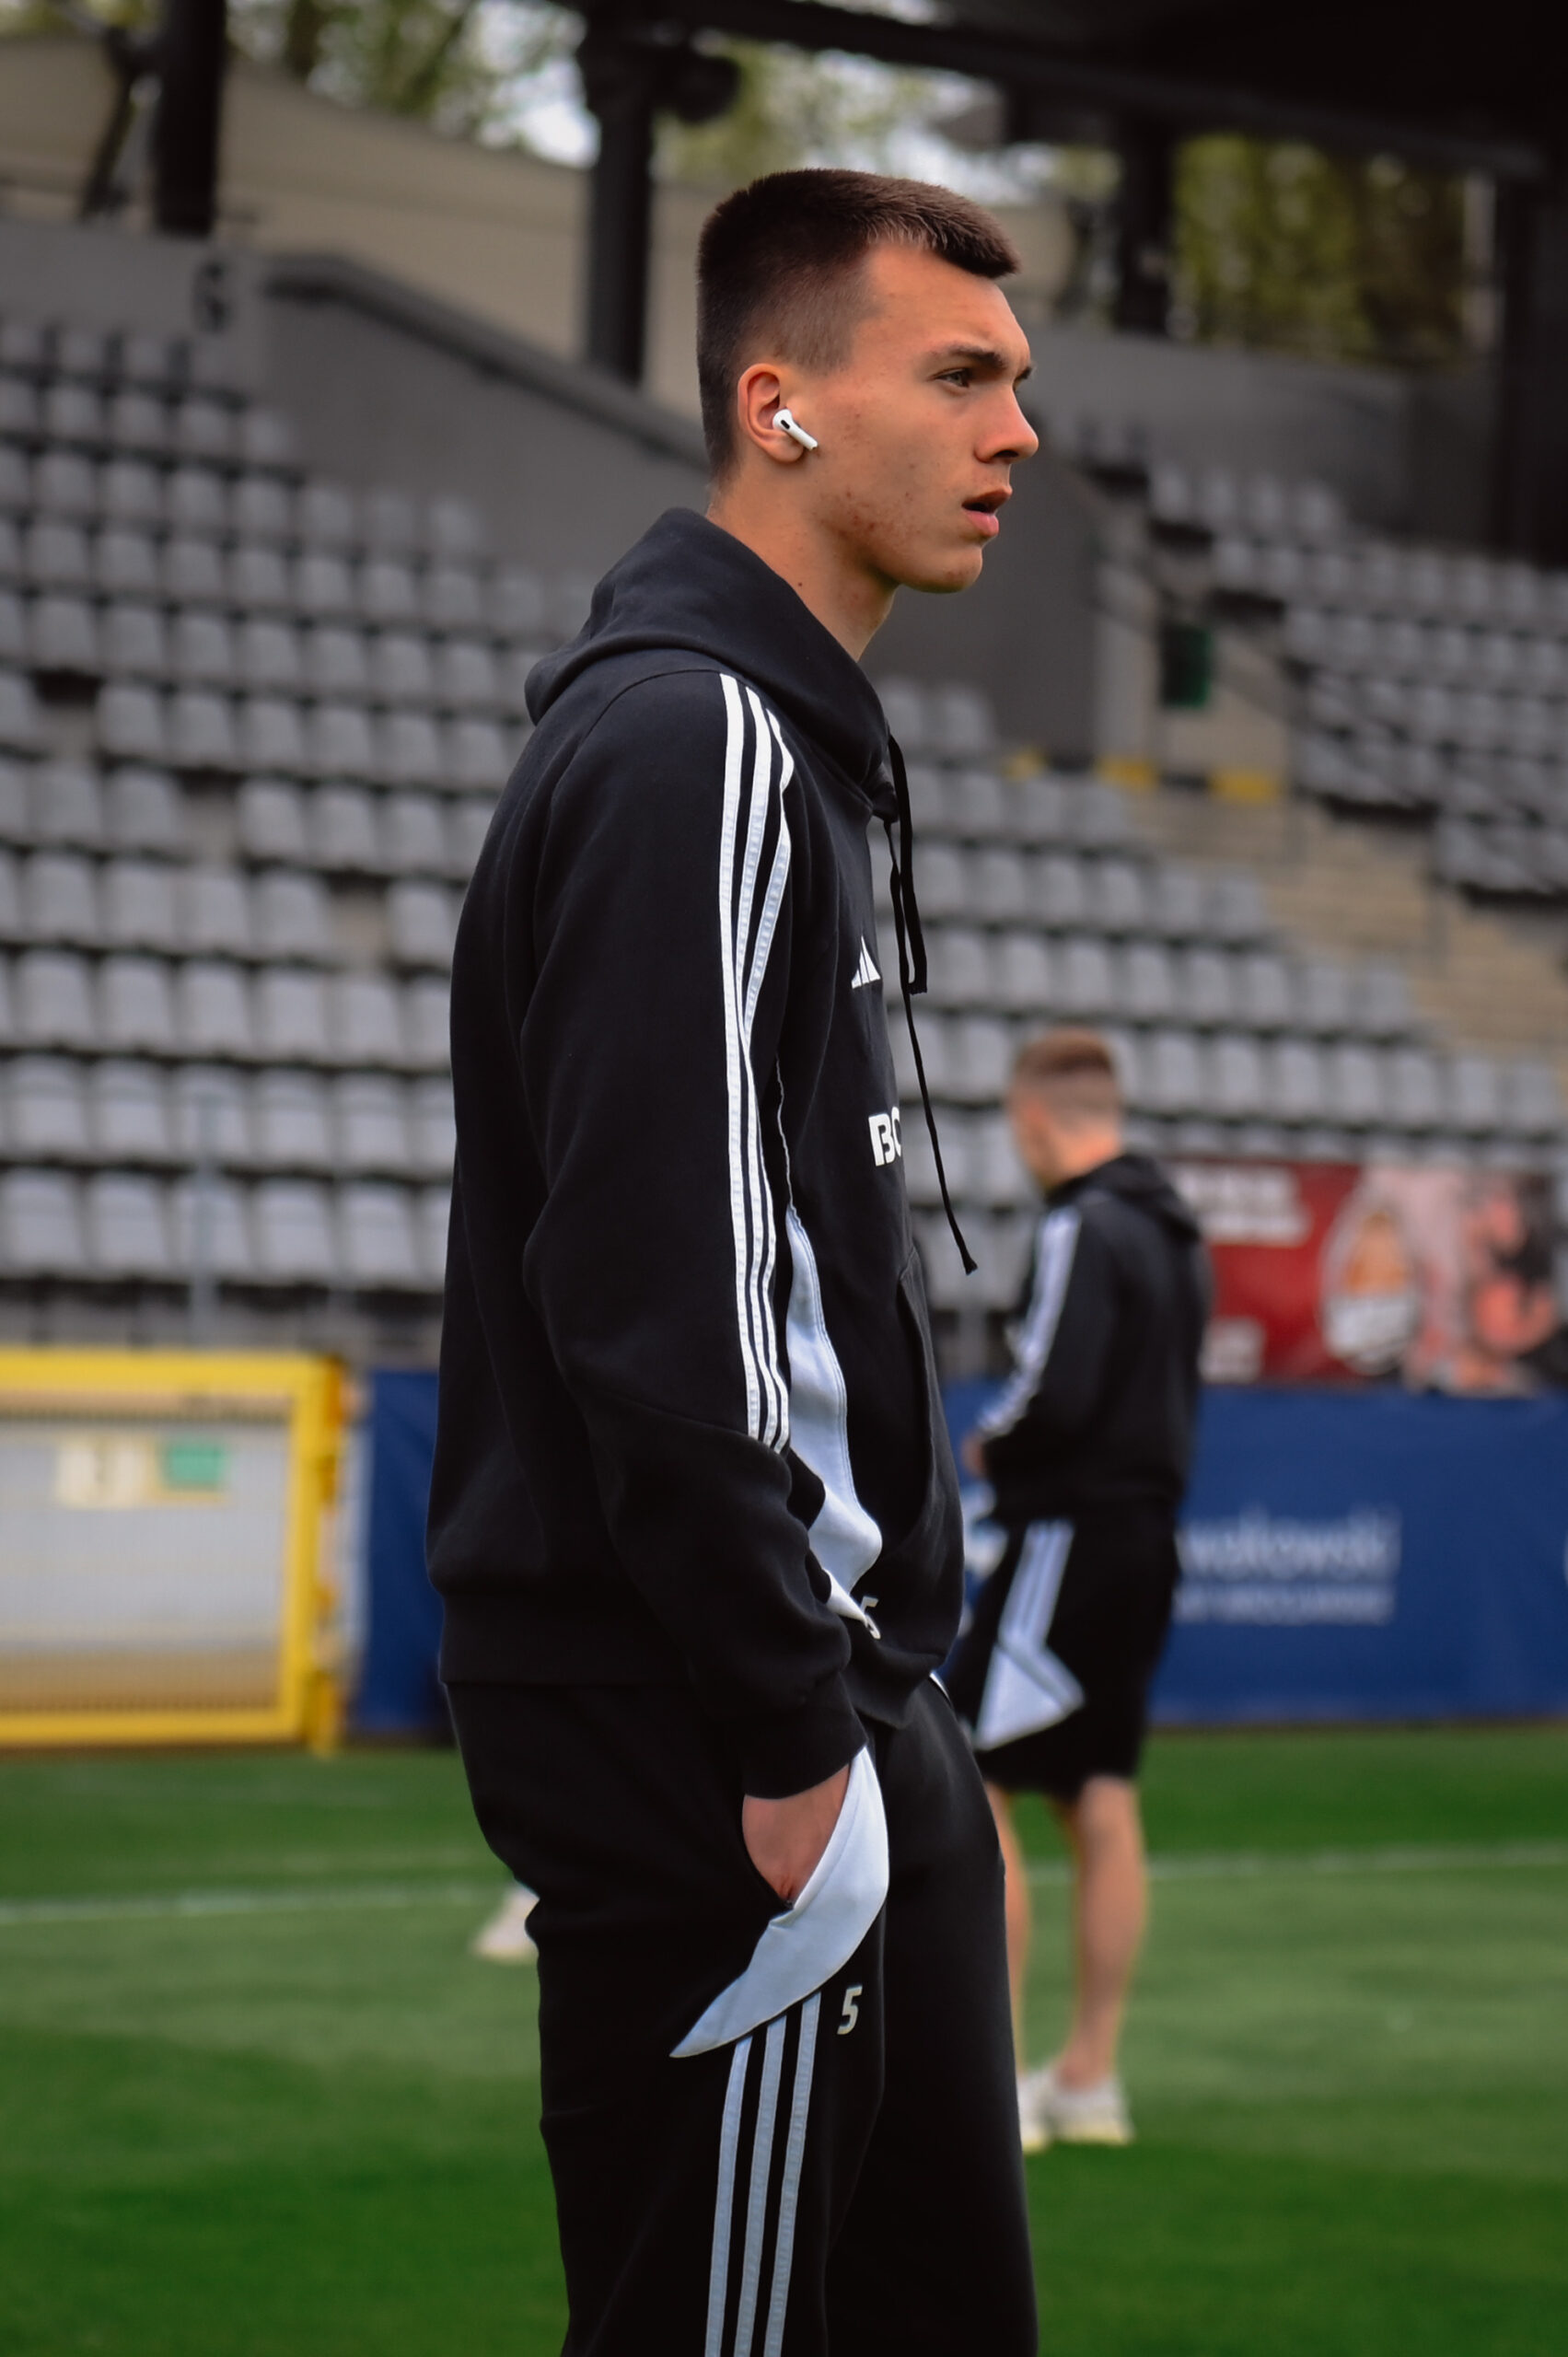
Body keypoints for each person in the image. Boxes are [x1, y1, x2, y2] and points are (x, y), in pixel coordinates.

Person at [426, 169, 1040, 2354]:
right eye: (956, 374)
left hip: (830, 1702)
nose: (1014, 430)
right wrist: (795, 1738)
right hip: (729, 1738)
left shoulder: (766, 738)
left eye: (1014, 380)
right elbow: (655, 1292)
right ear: (778, 405)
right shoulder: (695, 740)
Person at [947, 1030, 1210, 2153]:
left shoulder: (1080, 1225)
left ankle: (997, 2080)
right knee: (1098, 1795)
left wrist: (988, 1447)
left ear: (1036, 1119)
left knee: (973, 1784)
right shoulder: (1174, 1232)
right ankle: (1089, 2078)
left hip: (1062, 1535)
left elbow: (1051, 1388)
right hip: (1145, 1535)